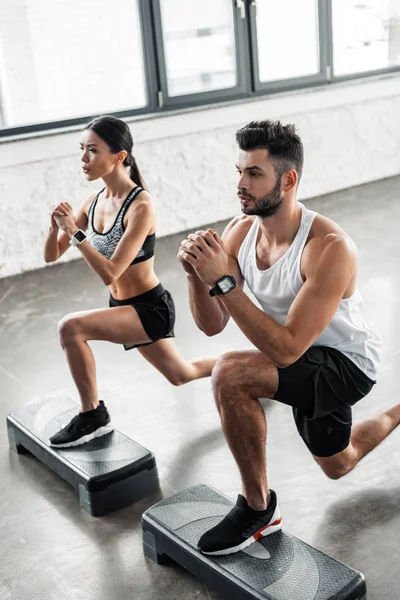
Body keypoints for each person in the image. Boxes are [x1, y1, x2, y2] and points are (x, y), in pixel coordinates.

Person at [178, 119, 399, 557]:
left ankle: (257, 509)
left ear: (288, 179)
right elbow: (211, 325)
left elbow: (286, 349)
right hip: (299, 354)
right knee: (339, 464)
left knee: (231, 374)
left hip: (345, 364)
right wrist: (195, 277)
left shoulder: (330, 247)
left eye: (253, 174)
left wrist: (223, 283)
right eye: (239, 171)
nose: (240, 184)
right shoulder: (240, 231)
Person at [44, 115, 215, 448]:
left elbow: (111, 272)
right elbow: (51, 256)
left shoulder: (141, 206)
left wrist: (73, 231)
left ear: (119, 156)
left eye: (92, 150)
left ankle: (92, 415)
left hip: (149, 309)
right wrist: (55, 227)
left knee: (71, 328)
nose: (83, 159)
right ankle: (247, 365)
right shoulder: (92, 203)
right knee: (182, 374)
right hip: (122, 306)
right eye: (82, 149)